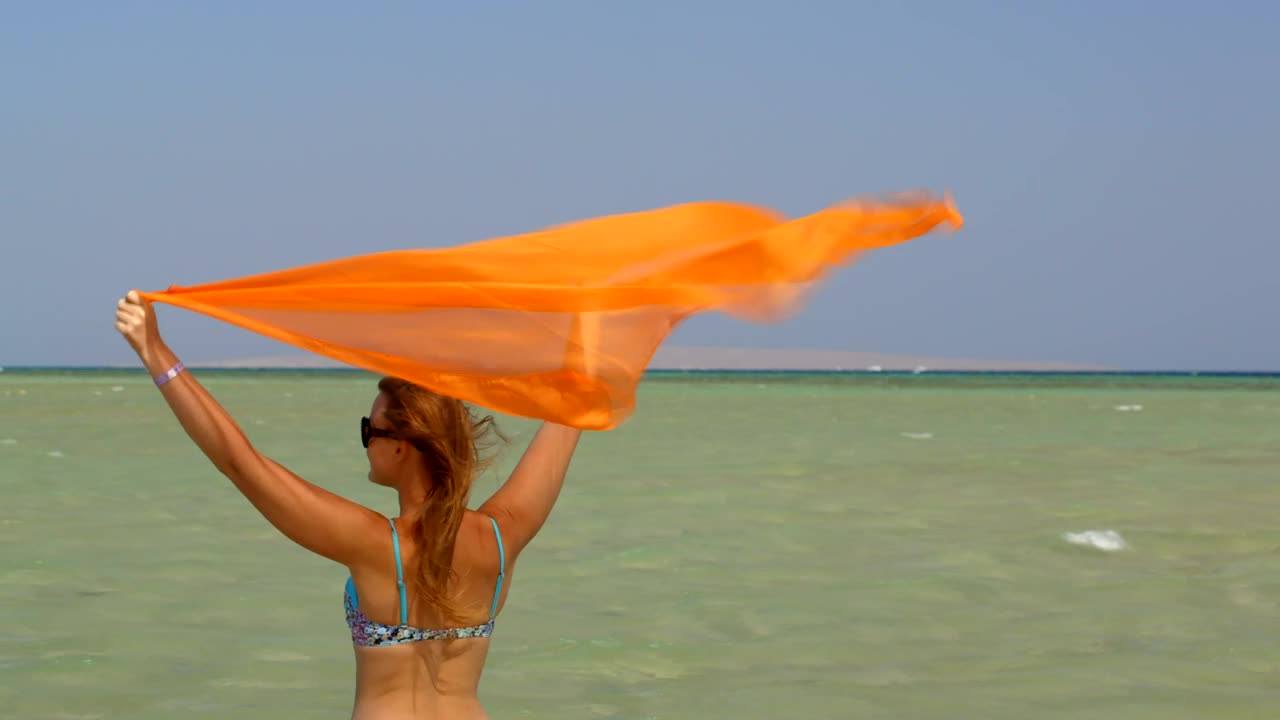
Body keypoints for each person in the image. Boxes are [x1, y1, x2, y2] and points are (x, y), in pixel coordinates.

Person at [114, 290, 584, 719]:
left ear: (402, 447)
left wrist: (154, 350)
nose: (364, 442)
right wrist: (591, 334)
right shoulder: (503, 537)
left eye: (369, 430)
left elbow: (243, 465)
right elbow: (570, 415)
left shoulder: (376, 544)